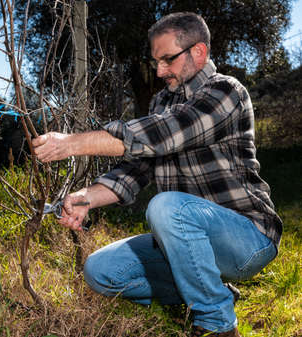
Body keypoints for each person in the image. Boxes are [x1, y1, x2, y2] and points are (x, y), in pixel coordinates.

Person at [32, 12, 282, 337]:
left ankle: (217, 325)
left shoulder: (226, 92)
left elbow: (164, 134)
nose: (160, 71)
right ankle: (211, 293)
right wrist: (85, 198)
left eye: (168, 60)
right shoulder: (162, 102)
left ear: (199, 52)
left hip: (247, 238)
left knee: (165, 207)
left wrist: (71, 144)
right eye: (156, 62)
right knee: (100, 270)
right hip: (184, 240)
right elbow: (136, 169)